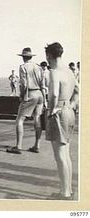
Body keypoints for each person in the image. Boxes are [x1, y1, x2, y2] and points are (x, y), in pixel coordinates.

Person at [45, 42, 78, 200]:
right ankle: (69, 190)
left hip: (59, 113)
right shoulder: (70, 72)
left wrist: (52, 110)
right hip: (69, 112)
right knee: (66, 153)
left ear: (49, 55)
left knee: (59, 155)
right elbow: (77, 91)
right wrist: (71, 105)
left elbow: (54, 94)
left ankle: (64, 193)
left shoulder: (54, 72)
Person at [7, 47, 46, 154]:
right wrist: (45, 100)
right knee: (37, 118)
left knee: (19, 120)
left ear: (23, 57)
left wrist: (22, 96)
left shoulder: (23, 67)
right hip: (39, 95)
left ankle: (18, 146)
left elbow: (23, 84)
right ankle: (37, 146)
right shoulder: (39, 67)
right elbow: (43, 85)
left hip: (30, 94)